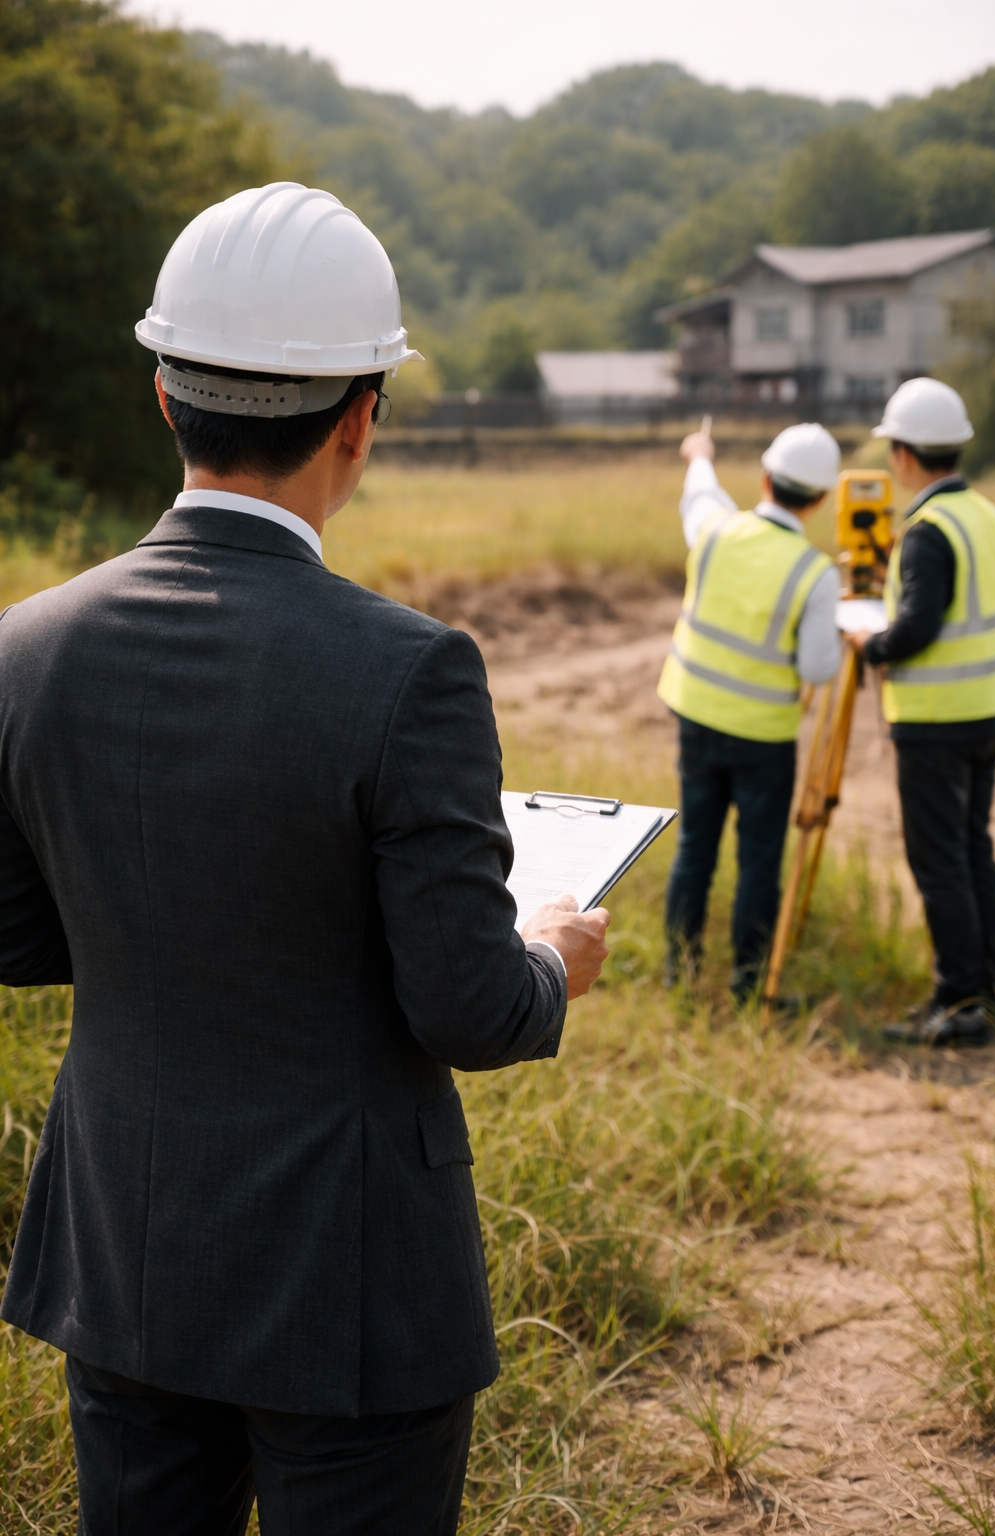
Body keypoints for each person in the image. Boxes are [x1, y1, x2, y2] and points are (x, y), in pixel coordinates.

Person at [0, 183, 611, 1535]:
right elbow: (468, 1006)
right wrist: (554, 962)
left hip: (125, 1258)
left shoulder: (26, 646)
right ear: (361, 420)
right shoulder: (413, 673)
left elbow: (16, 937)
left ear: (165, 396)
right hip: (354, 1294)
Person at [850, 378, 995, 1047]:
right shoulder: (992, 516)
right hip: (991, 712)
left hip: (937, 719)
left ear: (904, 453)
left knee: (941, 859)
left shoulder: (928, 530)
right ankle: (986, 992)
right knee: (974, 851)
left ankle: (958, 1000)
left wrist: (872, 644)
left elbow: (917, 626)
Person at [657, 422, 842, 1005]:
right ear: (820, 500)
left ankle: (678, 971)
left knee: (695, 849)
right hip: (764, 737)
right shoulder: (816, 574)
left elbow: (700, 493)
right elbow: (818, 670)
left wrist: (700, 454)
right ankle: (748, 982)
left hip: (697, 719)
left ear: (764, 478)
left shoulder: (714, 531)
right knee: (759, 861)